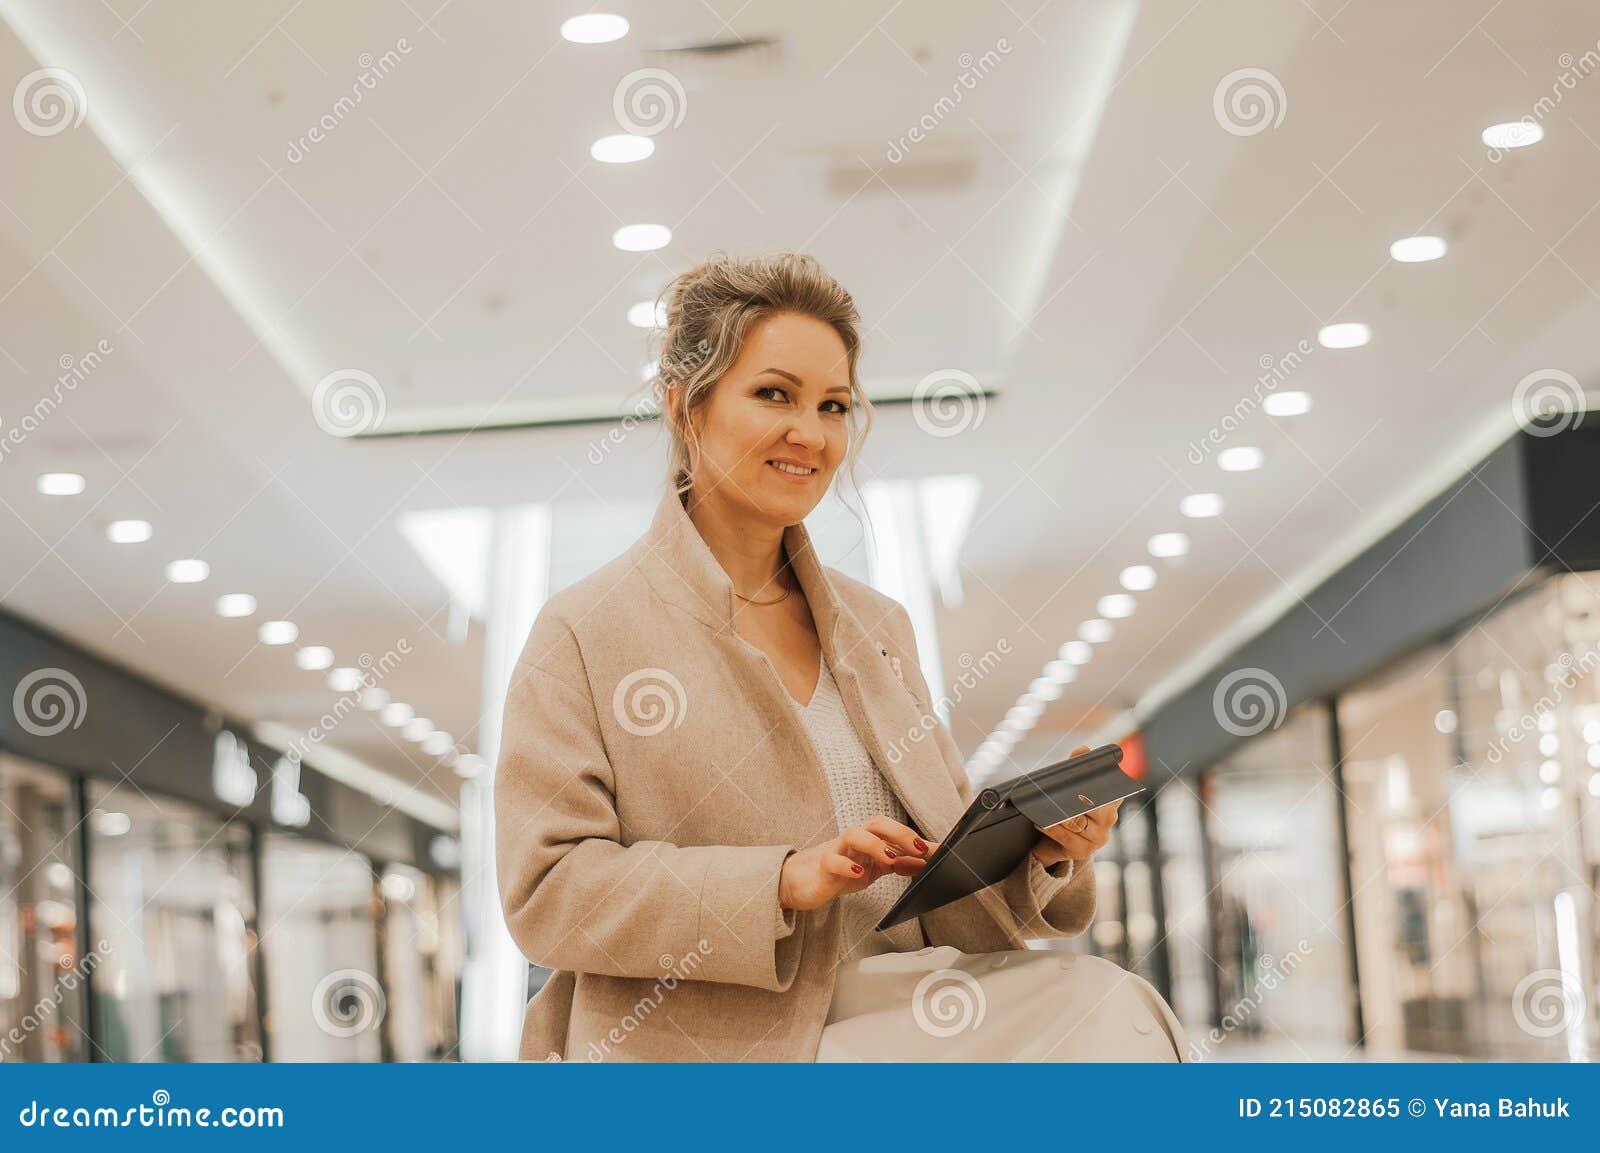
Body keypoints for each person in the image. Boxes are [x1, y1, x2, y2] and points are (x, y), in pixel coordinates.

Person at [494, 250, 1185, 1062]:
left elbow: (947, 890)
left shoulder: (878, 627)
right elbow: (548, 894)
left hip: (912, 1009)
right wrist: (782, 879)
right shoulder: (584, 632)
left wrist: (1038, 850)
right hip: (718, 1046)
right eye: (773, 394)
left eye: (833, 405)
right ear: (685, 406)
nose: (810, 433)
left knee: (1112, 1007)